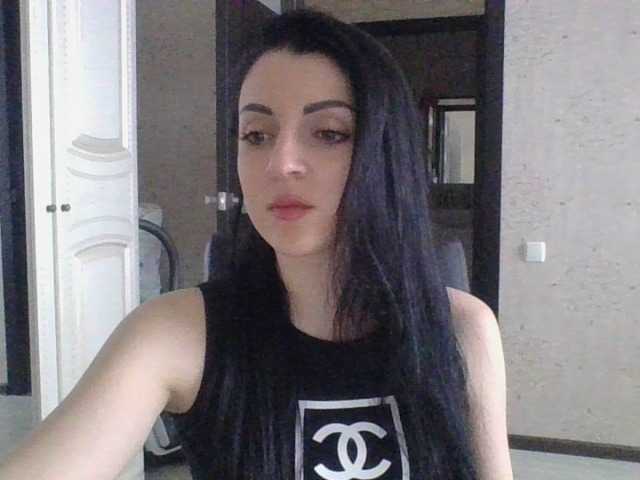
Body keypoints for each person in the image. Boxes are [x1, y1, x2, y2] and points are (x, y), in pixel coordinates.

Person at [0, 8, 512, 480]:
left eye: (329, 132)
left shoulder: (463, 330)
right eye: (257, 135)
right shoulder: (175, 335)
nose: (280, 163)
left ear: (387, 155)